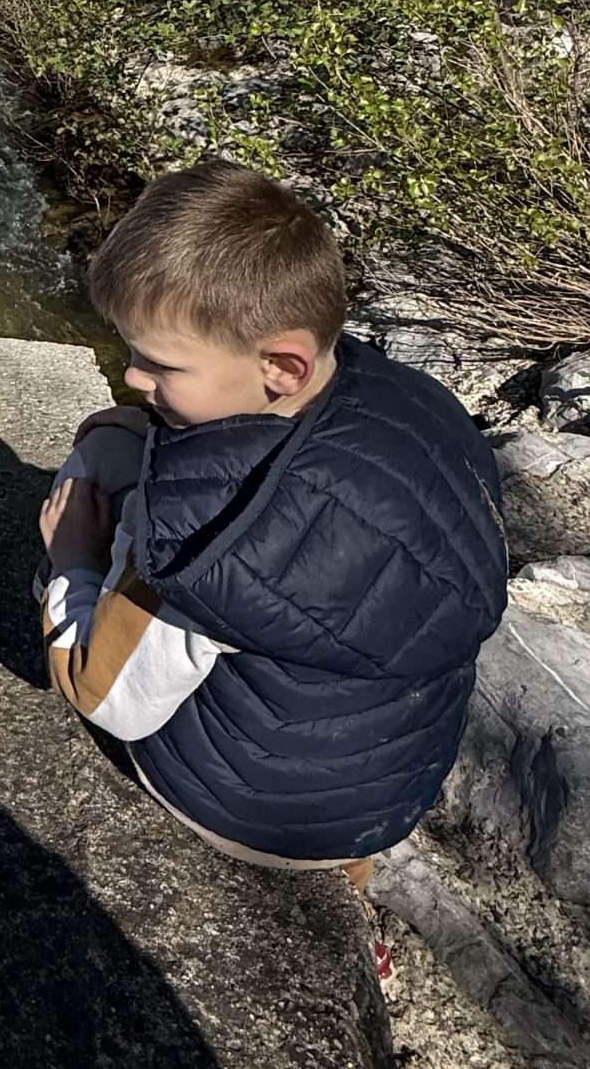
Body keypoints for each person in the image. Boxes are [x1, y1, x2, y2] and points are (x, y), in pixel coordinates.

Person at [36, 158, 507, 878]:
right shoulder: (409, 397)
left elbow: (110, 699)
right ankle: (356, 875)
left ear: (282, 367)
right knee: (125, 435)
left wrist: (73, 561)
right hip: (387, 782)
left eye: (160, 366)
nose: (131, 376)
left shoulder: (200, 537)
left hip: (253, 810)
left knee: (99, 470)